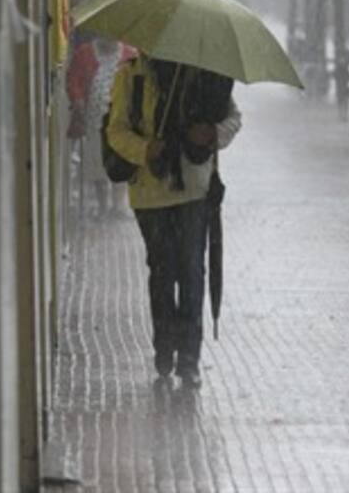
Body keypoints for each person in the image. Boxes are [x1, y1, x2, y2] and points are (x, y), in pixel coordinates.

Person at [107, 54, 241, 388]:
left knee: (193, 271)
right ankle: (165, 349)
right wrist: (145, 149)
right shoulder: (131, 76)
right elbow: (116, 130)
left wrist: (211, 132)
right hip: (149, 195)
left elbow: (233, 118)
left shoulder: (202, 73)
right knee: (163, 272)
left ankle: (190, 360)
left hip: (194, 191)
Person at [66, 36, 136, 219]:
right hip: (93, 121)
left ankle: (119, 204)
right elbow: (73, 80)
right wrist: (78, 100)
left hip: (120, 120)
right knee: (96, 162)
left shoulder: (130, 55)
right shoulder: (84, 53)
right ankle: (103, 205)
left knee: (120, 158)